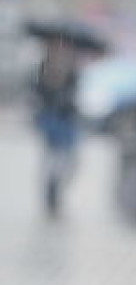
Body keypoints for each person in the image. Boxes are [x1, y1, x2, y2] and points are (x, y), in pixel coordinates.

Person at [29, 37, 83, 218]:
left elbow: (77, 92)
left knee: (71, 162)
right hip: (51, 120)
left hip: (68, 120)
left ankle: (57, 190)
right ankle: (51, 194)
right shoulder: (43, 68)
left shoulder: (73, 70)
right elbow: (37, 94)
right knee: (53, 159)